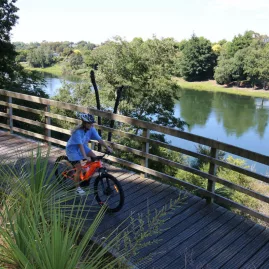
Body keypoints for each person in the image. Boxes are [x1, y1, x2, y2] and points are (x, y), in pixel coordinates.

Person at [66, 112, 113, 195]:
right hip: (72, 149)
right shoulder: (78, 132)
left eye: (92, 123)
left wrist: (107, 147)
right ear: (84, 123)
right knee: (79, 168)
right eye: (89, 123)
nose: (91, 125)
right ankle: (77, 188)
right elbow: (79, 145)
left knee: (95, 159)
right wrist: (84, 157)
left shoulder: (91, 129)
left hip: (82, 147)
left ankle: (85, 174)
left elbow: (99, 139)